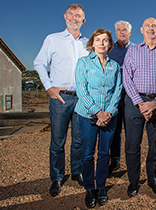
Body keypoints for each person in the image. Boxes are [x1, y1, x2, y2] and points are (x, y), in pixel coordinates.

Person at [33, 4, 89, 197]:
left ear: (83, 20)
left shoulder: (88, 44)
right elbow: (39, 63)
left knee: (79, 140)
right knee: (58, 141)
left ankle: (77, 171)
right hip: (60, 98)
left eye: (78, 15)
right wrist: (48, 86)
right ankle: (56, 177)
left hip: (82, 98)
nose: (74, 18)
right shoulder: (53, 39)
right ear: (65, 16)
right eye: (71, 14)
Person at [123, 17, 156, 197]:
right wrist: (140, 103)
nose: (151, 28)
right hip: (134, 103)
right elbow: (126, 79)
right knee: (132, 145)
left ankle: (152, 178)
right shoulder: (132, 51)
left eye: (154, 26)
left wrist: (154, 103)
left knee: (154, 145)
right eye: (147, 26)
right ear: (141, 30)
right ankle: (133, 181)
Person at [75, 29, 122, 208]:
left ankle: (101, 186)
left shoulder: (115, 66)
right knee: (87, 154)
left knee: (104, 153)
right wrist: (97, 112)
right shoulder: (83, 63)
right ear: (92, 43)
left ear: (110, 44)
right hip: (87, 116)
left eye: (105, 40)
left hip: (110, 117)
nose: (102, 43)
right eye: (98, 39)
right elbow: (81, 90)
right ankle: (89, 188)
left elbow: (118, 90)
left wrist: (108, 112)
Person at [108, 20, 135, 174]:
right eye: (119, 29)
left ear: (130, 33)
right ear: (115, 32)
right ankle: (115, 161)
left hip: (130, 96)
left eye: (125, 30)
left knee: (131, 131)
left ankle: (131, 163)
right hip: (113, 96)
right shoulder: (109, 49)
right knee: (114, 130)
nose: (122, 32)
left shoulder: (137, 49)